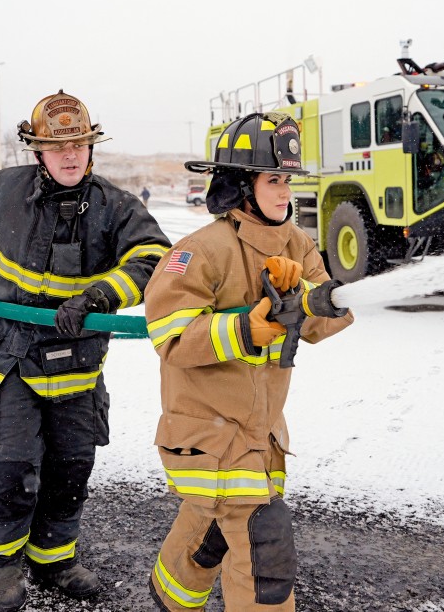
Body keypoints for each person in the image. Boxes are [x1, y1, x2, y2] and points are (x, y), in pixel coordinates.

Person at [0, 89, 171, 612]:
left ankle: (54, 560)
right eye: (57, 147)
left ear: (91, 148)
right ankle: (4, 566)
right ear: (37, 152)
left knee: (70, 467)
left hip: (76, 363)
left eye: (80, 146)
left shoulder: (115, 206)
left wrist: (99, 295)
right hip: (8, 355)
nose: (70, 156)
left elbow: (155, 258)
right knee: (10, 464)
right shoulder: (4, 189)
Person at [143, 112, 354, 611]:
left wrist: (302, 297)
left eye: (288, 180)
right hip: (207, 434)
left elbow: (328, 319)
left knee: (213, 529)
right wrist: (245, 328)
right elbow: (169, 333)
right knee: (264, 546)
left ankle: (170, 596)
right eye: (273, 180)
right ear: (240, 185)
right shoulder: (200, 251)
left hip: (260, 432)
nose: (285, 192)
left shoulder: (297, 244)